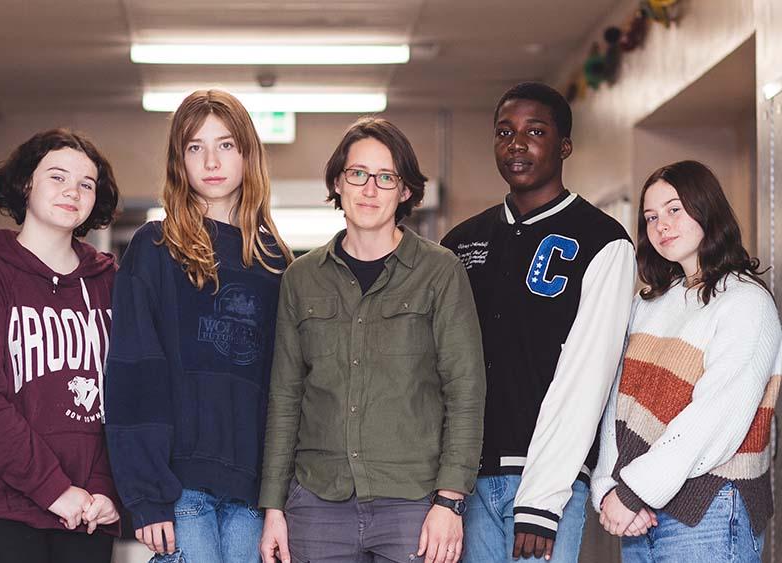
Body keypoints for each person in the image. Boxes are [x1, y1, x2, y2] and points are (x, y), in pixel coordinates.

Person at [259, 117, 486, 563]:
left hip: (414, 503)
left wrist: (450, 499)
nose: (369, 189)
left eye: (386, 178)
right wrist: (273, 507)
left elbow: (465, 390)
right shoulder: (301, 279)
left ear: (405, 192)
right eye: (357, 174)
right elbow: (285, 397)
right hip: (318, 502)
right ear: (338, 184)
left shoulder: (440, 273)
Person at [440, 81, 636, 562]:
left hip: (546, 480)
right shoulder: (461, 242)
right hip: (466, 479)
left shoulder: (603, 241)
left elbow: (589, 376)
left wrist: (543, 501)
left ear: (564, 145)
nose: (517, 144)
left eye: (536, 131)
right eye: (504, 132)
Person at [104, 89, 293, 563]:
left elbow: (287, 390)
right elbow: (133, 375)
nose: (211, 160)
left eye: (226, 144)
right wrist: (146, 495)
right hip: (179, 488)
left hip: (253, 491)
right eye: (195, 147)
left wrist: (279, 498)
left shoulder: (276, 263)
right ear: (179, 161)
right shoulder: (154, 249)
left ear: (248, 154)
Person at [0, 128, 121, 563]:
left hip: (87, 512)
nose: (72, 192)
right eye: (57, 177)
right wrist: (54, 488)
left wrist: (105, 488)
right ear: (26, 184)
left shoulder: (112, 284)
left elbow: (128, 395)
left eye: (86, 183)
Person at [592, 160, 781, 562]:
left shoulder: (746, 302)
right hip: (640, 512)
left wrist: (631, 491)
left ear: (706, 208)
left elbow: (716, 418)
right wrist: (609, 486)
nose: (662, 225)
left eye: (675, 209)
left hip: (709, 510)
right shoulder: (650, 302)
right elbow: (615, 403)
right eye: (651, 217)